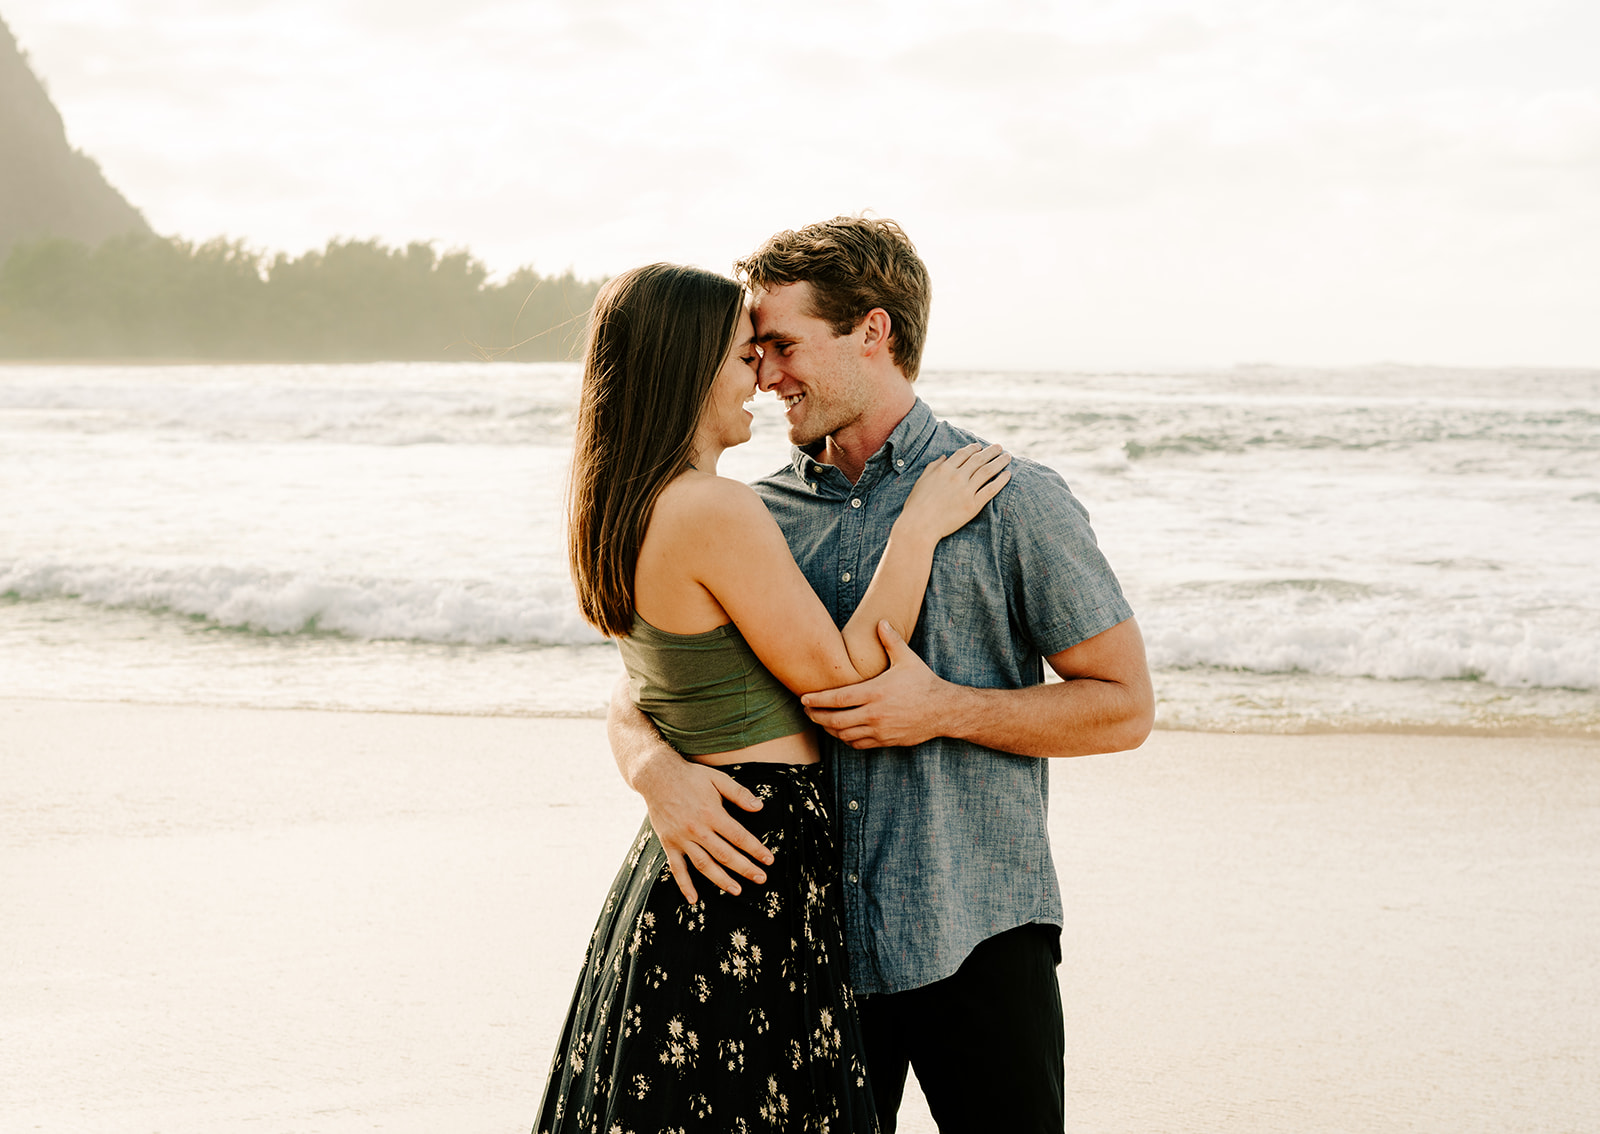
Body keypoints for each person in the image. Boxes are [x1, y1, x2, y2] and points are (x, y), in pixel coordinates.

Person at [608, 218, 1155, 1133]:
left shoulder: (1011, 498)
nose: (767, 374)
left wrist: (944, 708)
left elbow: (1124, 707)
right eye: (755, 352)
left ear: (873, 331)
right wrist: (652, 770)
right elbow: (654, 673)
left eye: (781, 345)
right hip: (806, 945)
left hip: (972, 926)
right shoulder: (750, 515)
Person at [534, 261, 1012, 1134]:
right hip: (750, 864)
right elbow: (848, 685)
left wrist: (646, 763)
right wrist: (917, 528)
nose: (758, 375)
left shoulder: (621, 507)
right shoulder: (713, 509)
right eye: (739, 353)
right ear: (686, 367)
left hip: (692, 862)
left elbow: (647, 683)